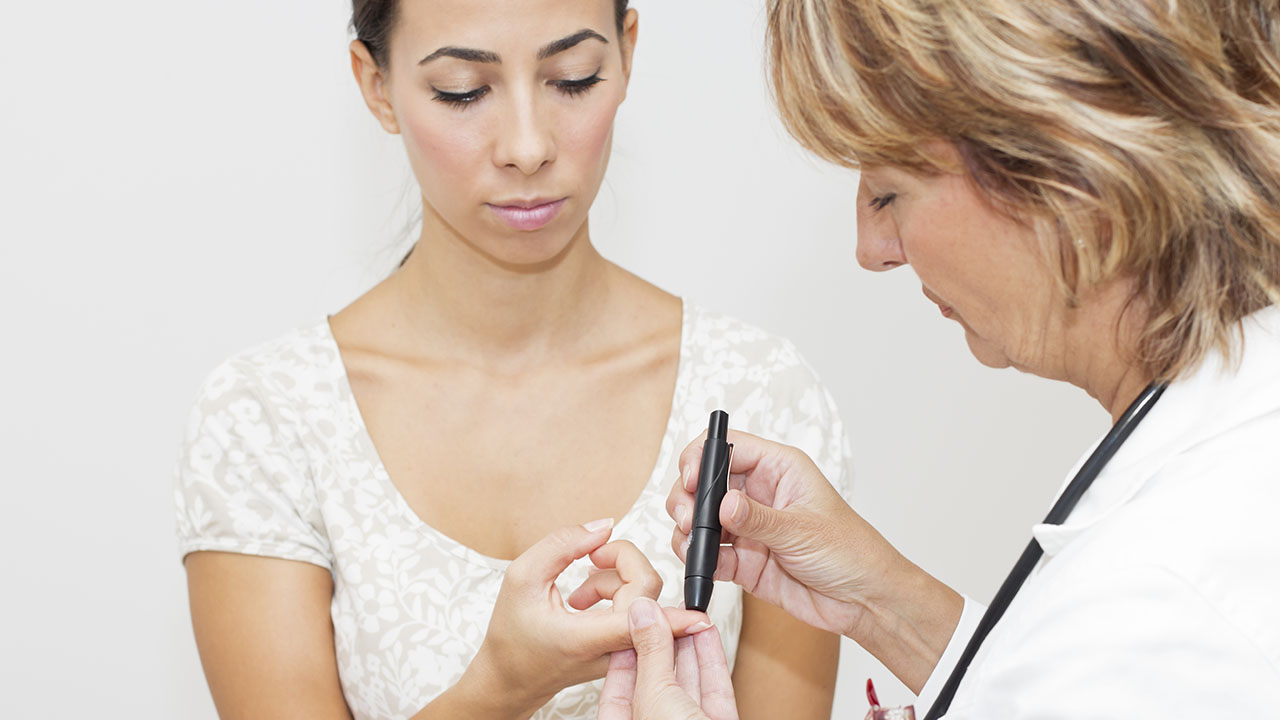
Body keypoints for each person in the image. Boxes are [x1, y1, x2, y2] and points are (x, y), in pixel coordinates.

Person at [173, 1, 850, 719]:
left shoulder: (762, 397)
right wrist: (502, 686)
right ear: (376, 85)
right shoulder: (266, 421)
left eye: (573, 78)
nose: (527, 147)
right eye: (462, 90)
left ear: (626, 55)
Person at [606, 0, 1280, 717]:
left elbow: (1098, 666)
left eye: (889, 193)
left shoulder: (1161, 604)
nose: (871, 251)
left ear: (1068, 166)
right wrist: (879, 600)